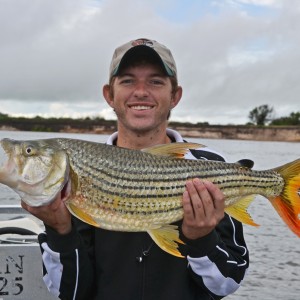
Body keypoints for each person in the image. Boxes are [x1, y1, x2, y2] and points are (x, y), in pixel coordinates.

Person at [22, 38, 249, 300]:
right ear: (110, 94)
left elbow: (227, 282)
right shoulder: (78, 170)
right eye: (128, 80)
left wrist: (200, 239)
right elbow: (71, 293)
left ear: (175, 96)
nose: (141, 91)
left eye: (155, 81)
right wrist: (59, 229)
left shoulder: (212, 167)